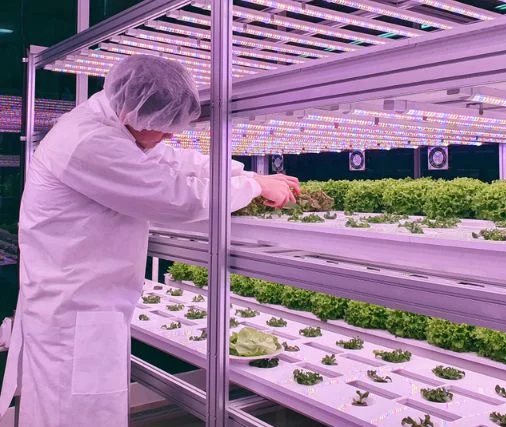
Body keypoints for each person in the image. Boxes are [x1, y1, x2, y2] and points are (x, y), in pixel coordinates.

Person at [0, 55, 300, 426]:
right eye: (164, 125)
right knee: (76, 416)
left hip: (84, 308)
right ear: (135, 114)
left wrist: (249, 175)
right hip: (72, 318)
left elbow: (173, 160)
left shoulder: (113, 125)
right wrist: (253, 186)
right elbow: (173, 197)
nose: (169, 134)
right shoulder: (89, 142)